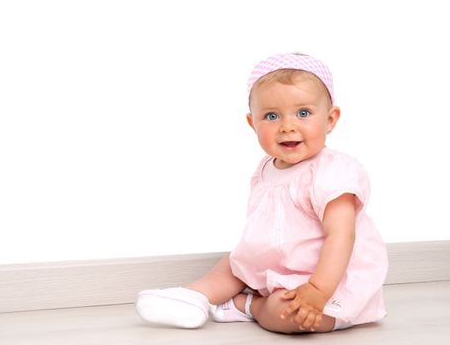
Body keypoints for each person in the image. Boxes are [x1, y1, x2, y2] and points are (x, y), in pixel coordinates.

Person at [136, 53, 388, 333]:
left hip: (326, 280)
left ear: (330, 119)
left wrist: (317, 290)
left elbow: (341, 235)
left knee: (287, 314)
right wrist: (250, 259)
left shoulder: (334, 170)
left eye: (303, 113)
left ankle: (246, 305)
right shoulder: (265, 169)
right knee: (235, 263)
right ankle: (195, 295)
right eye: (271, 116)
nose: (287, 126)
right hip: (276, 263)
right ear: (252, 123)